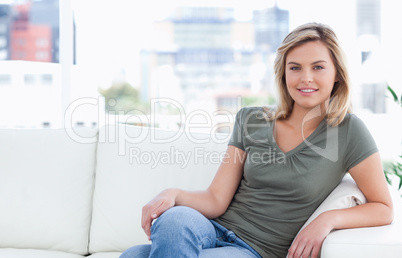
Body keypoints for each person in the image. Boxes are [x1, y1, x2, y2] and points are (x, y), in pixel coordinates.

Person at [120, 22, 393, 258]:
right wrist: (174, 195)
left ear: (336, 75)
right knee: (174, 219)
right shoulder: (250, 120)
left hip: (255, 249)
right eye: (295, 67)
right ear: (283, 74)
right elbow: (216, 199)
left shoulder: (348, 131)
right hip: (212, 227)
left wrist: (327, 220)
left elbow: (383, 207)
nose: (305, 78)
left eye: (318, 67)